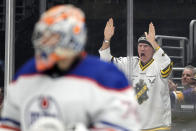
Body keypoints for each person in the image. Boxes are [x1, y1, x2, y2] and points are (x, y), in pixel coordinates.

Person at [0, 5, 140, 131]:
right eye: (43, 35)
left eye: (53, 36)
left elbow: (125, 125)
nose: (45, 42)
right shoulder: (26, 75)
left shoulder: (107, 77)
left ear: (74, 39)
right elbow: (8, 125)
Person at [99, 18, 173, 130]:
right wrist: (107, 39)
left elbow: (167, 65)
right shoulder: (130, 63)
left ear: (152, 49)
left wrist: (153, 42)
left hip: (158, 126)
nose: (142, 48)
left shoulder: (159, 64)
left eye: (146, 46)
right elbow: (106, 62)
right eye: (140, 46)